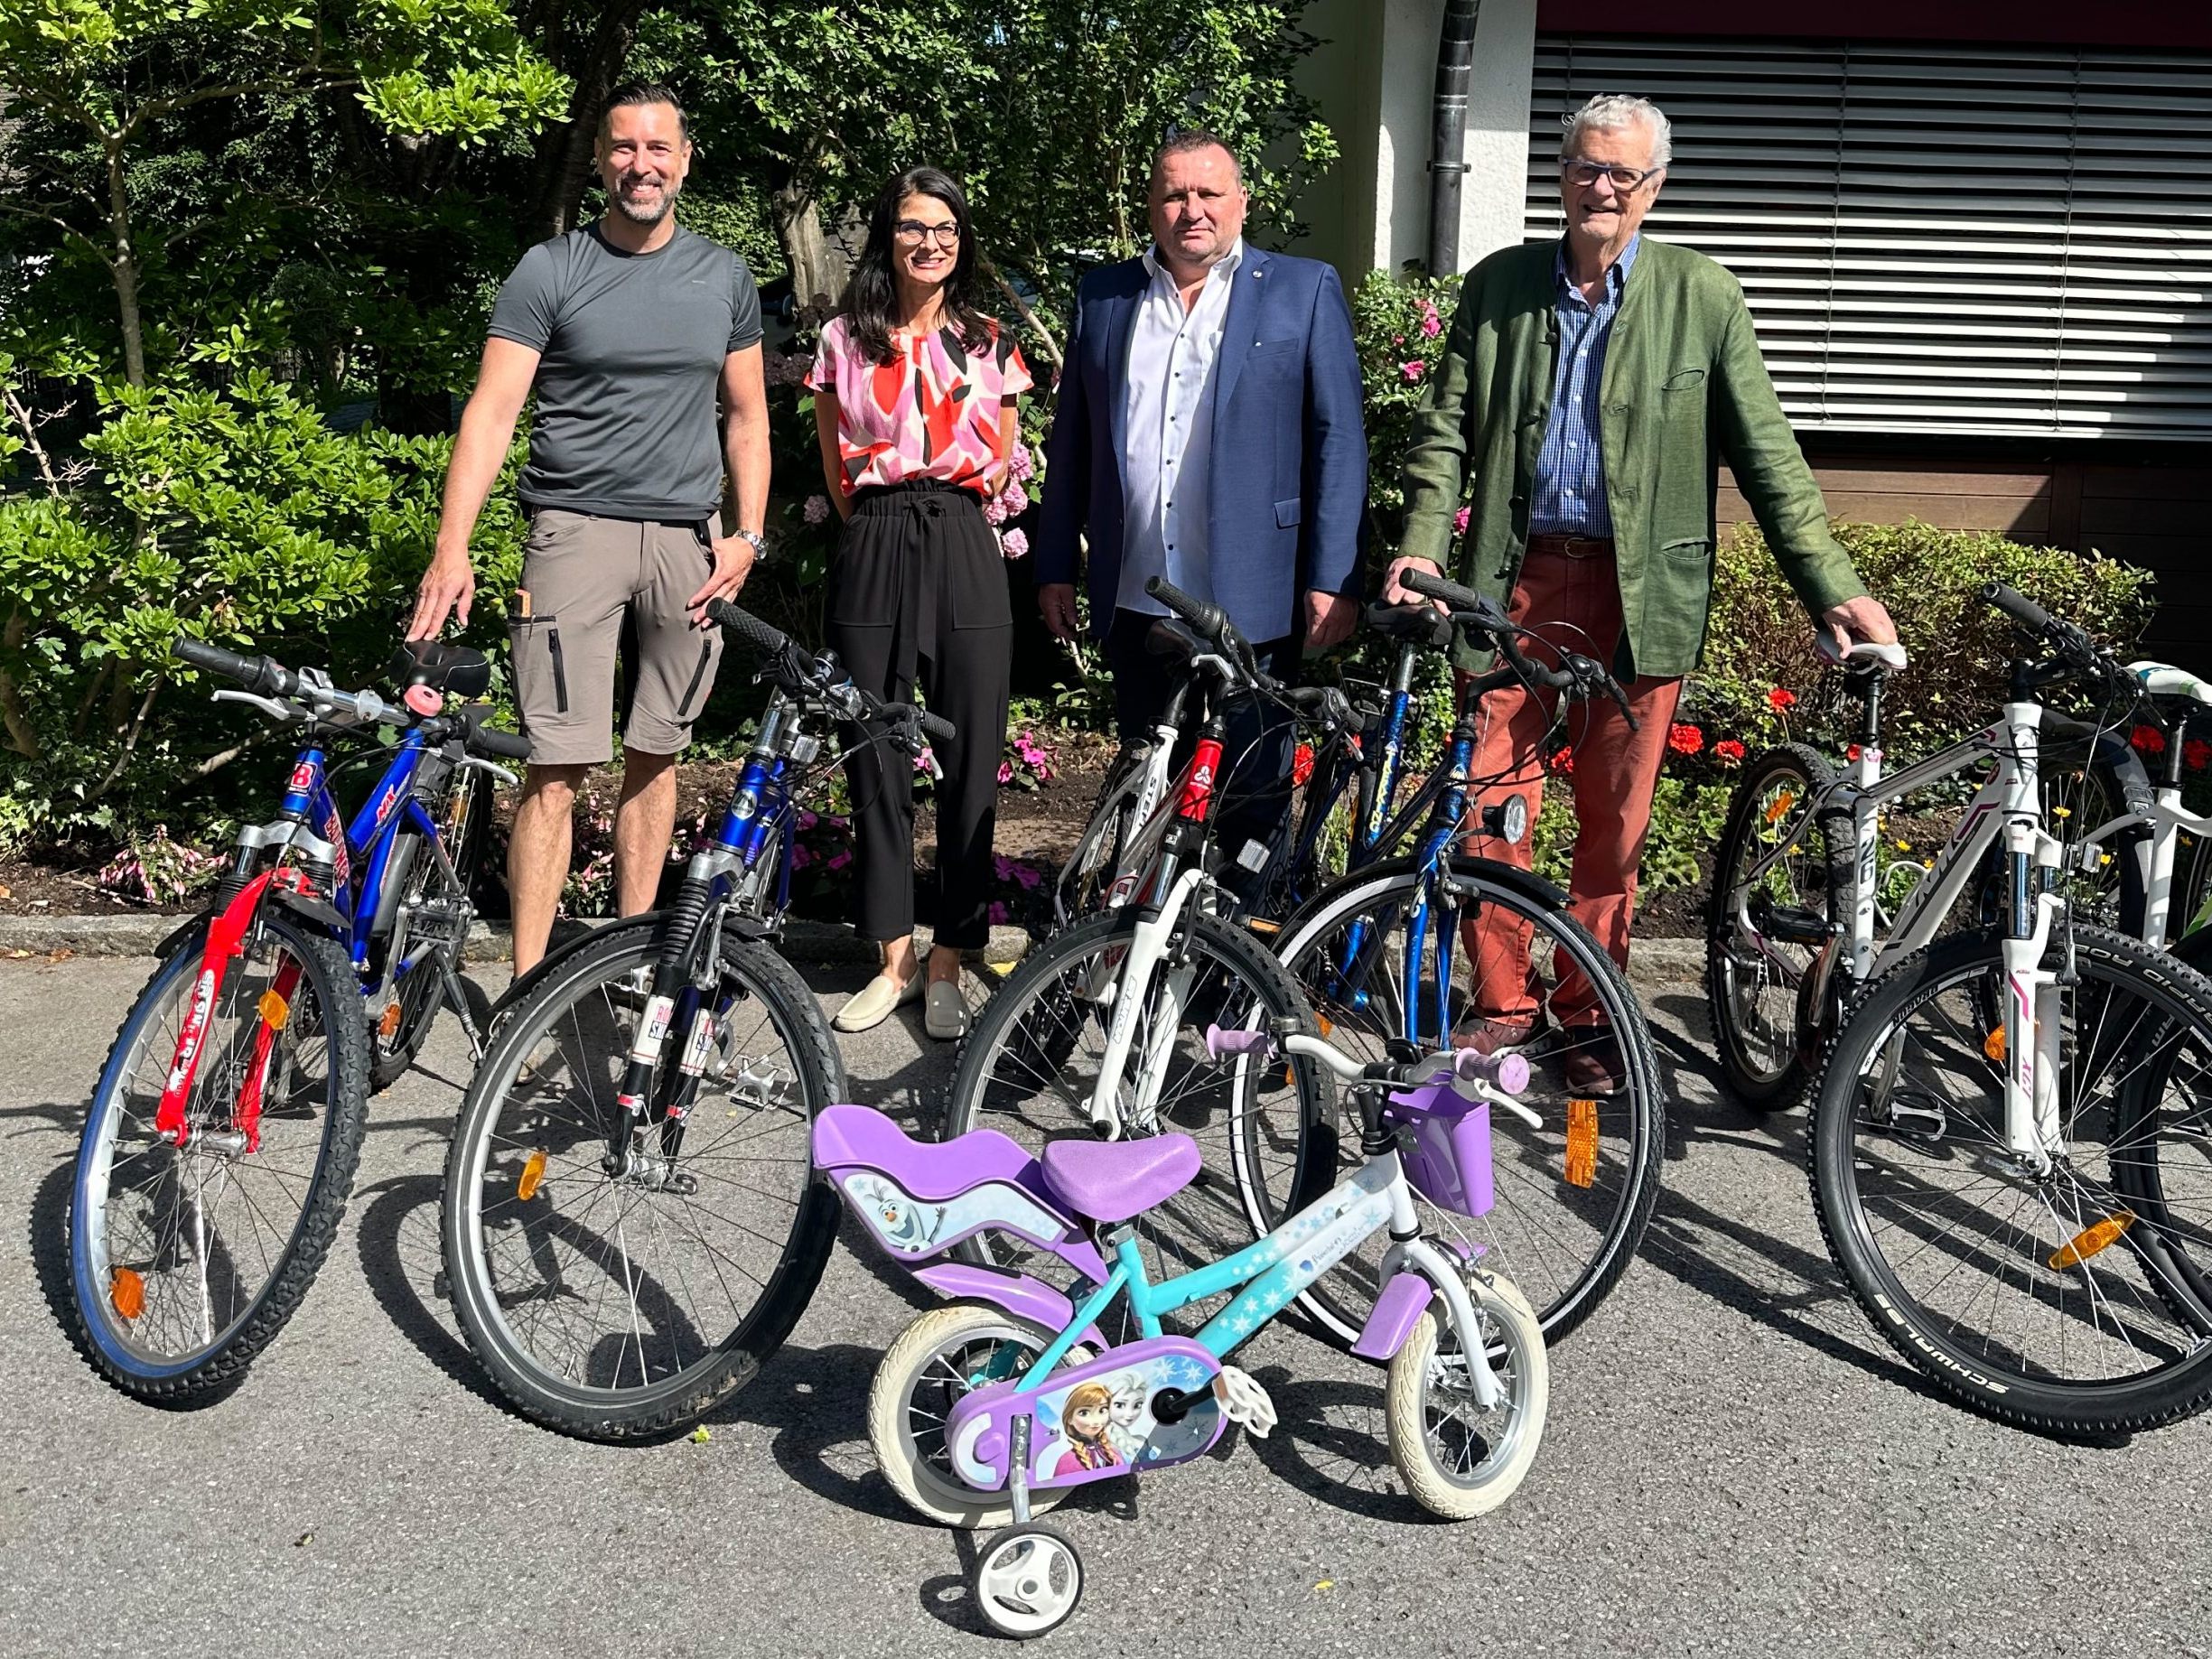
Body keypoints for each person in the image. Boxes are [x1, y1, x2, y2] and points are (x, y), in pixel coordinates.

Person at [1387, 92, 1899, 1092]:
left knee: (1613, 825)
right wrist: (1418, 549)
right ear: (1561, 174)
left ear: (1653, 188)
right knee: (1495, 806)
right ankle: (1501, 1010)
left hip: (1639, 592)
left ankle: (1587, 1014)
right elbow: (1443, 435)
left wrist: (1830, 586)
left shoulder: (1701, 296)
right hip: (1514, 583)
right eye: (1585, 167)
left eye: (1622, 173)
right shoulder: (1497, 289)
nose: (1601, 188)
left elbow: (1767, 457)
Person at [407, 83, 770, 977]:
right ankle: (531, 987)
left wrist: (747, 535)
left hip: (687, 545)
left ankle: (629, 969)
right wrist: (451, 548)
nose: (640, 165)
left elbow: (748, 419)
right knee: (554, 770)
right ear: (601, 160)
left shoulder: (724, 276)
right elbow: (491, 414)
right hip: (572, 536)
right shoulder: (551, 269)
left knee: (657, 758)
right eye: (623, 148)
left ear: (684, 161)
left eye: (658, 148)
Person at [1034, 131, 1365, 885]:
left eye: (1208, 193)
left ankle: (1240, 979)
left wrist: (1334, 576)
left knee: (1252, 798)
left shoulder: (1301, 288)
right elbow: (1074, 446)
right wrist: (1054, 563)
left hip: (1255, 600)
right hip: (1137, 598)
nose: (1192, 210)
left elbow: (1337, 440)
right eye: (1174, 194)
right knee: (1148, 790)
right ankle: (1143, 961)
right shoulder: (1105, 297)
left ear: (1241, 200)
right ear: (1150, 206)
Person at [807, 166, 1031, 1041]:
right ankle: (892, 959)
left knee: (971, 753)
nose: (928, 241)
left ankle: (950, 959)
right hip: (876, 535)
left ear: (959, 239)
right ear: (887, 237)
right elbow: (836, 466)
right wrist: (881, 524)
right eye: (911, 225)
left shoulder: (989, 343)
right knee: (875, 754)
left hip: (965, 539)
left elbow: (1003, 461)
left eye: (943, 227)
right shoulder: (842, 339)